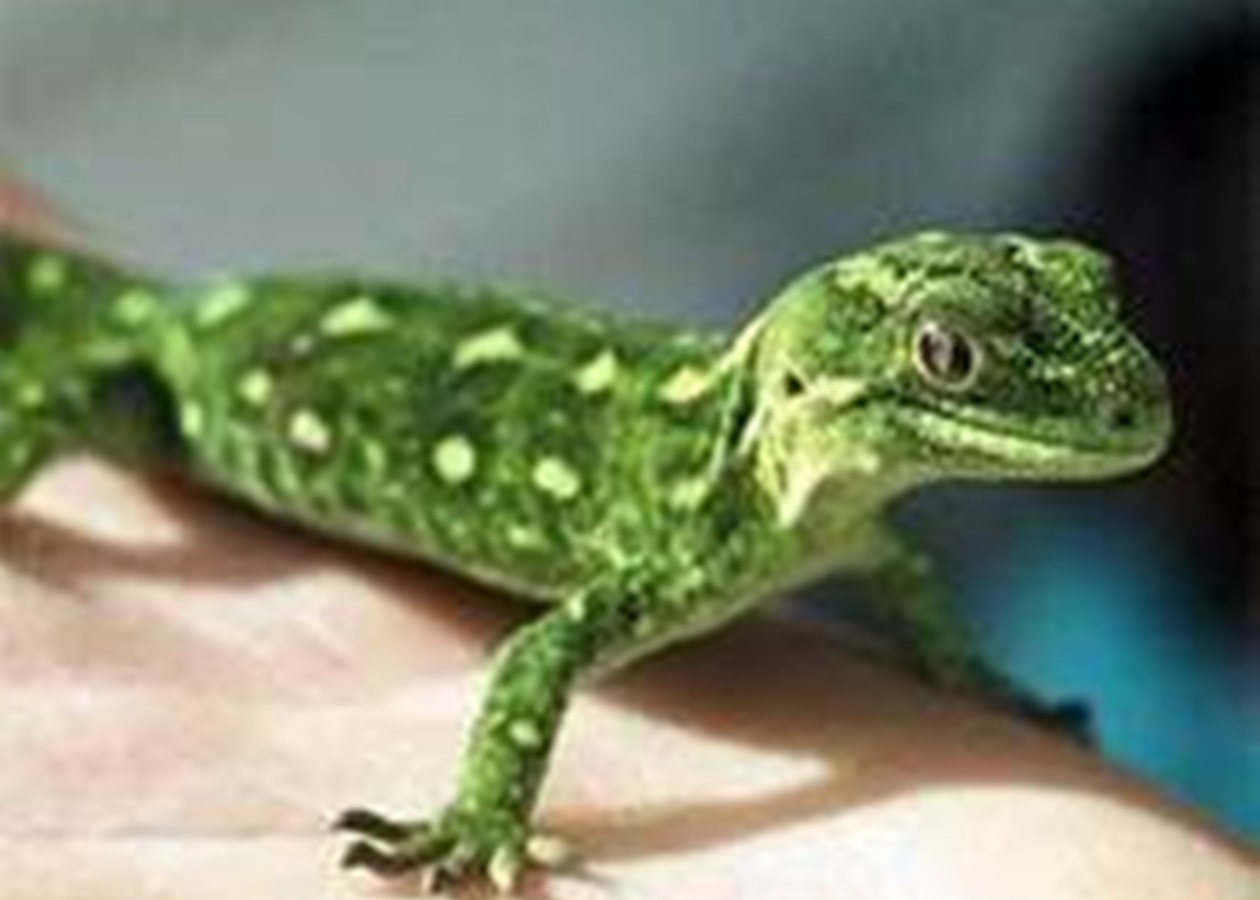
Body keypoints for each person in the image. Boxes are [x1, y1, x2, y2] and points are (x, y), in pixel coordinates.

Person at [0, 177, 1252, 898]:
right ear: (811, 393)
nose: (1131, 398)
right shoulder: (696, 525)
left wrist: (961, 680)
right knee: (58, 401)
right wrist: (484, 821)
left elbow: (895, 562)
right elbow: (539, 659)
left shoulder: (821, 515)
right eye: (950, 357)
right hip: (178, 370)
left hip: (247, 324)